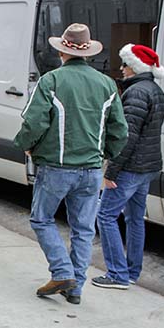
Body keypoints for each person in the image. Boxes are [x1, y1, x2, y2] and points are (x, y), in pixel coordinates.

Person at [14, 23, 128, 305]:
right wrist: (105, 154)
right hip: (91, 169)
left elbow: (33, 122)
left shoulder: (51, 80)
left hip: (56, 166)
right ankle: (75, 286)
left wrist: (26, 145)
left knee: (42, 219)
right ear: (87, 52)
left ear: (61, 51)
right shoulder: (106, 84)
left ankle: (63, 272)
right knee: (84, 229)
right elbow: (120, 131)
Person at [93, 44, 164, 290]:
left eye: (125, 64)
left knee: (105, 216)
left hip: (130, 168)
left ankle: (117, 274)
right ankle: (132, 271)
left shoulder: (135, 93)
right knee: (135, 218)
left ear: (135, 67)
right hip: (148, 166)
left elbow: (127, 137)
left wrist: (111, 171)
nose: (121, 69)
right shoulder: (155, 90)